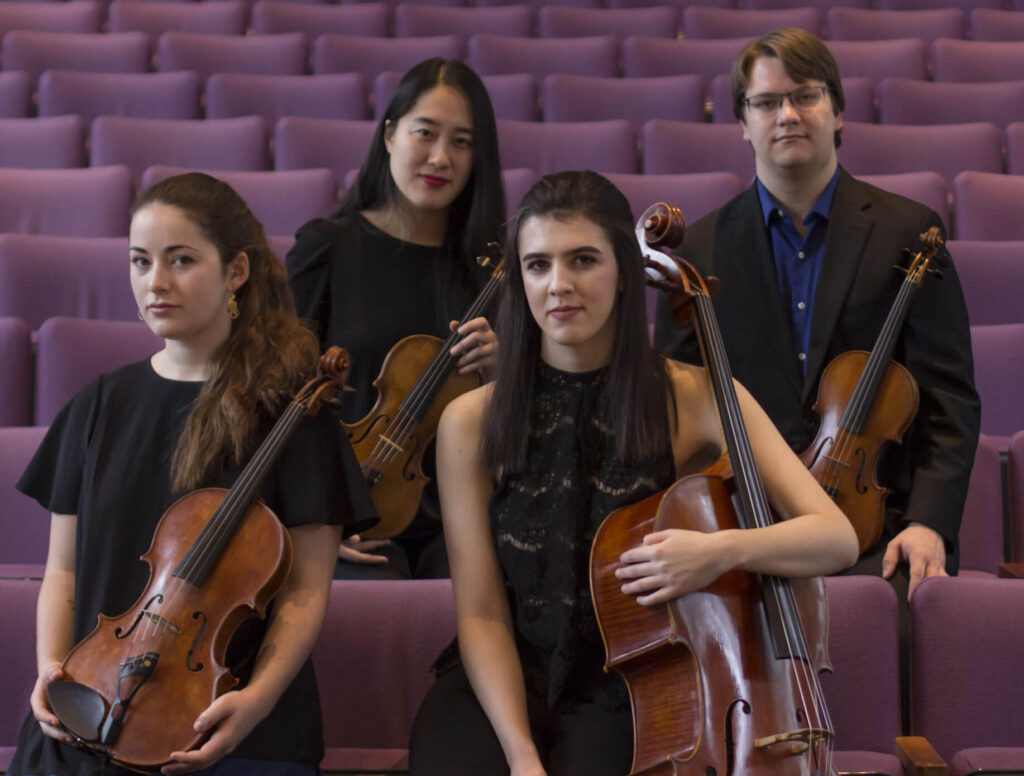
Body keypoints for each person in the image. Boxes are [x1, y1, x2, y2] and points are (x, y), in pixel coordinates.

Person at [408, 170, 858, 776]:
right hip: (496, 683)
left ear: (624, 271)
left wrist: (719, 552)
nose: (559, 285)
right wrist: (520, 757)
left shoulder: (692, 395)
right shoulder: (470, 420)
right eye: (538, 265)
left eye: (583, 260)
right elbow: (482, 613)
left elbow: (835, 536)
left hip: (630, 684)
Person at [9, 173, 374, 776]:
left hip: (231, 720)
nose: (155, 282)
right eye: (140, 261)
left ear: (235, 272)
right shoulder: (96, 406)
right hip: (90, 704)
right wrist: (53, 672)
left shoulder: (295, 415)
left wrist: (253, 703)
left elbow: (306, 593)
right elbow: (64, 572)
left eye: (181, 260)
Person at [654, 28, 980, 603]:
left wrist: (929, 523)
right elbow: (678, 418)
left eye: (805, 95)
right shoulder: (699, 253)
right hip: (748, 525)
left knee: (893, 633)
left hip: (880, 532)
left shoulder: (909, 232)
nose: (787, 114)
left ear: (836, 112)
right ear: (742, 121)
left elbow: (948, 402)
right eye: (766, 102)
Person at [287, 57, 506, 581]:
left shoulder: (492, 271)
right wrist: (317, 514)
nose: (439, 157)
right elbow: (277, 391)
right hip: (350, 508)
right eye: (425, 133)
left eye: (461, 141)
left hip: (460, 515)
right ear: (389, 135)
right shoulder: (329, 248)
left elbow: (526, 418)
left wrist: (504, 367)